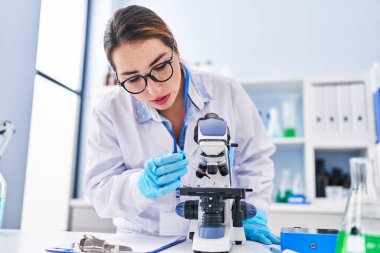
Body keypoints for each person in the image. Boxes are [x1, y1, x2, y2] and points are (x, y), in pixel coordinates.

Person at [85, 5, 280, 245]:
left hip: (219, 234)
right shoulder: (110, 110)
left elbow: (255, 160)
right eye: (134, 79)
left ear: (175, 49)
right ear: (118, 77)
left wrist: (254, 213)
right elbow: (100, 191)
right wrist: (140, 185)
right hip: (141, 240)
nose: (153, 89)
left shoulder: (227, 92)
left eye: (159, 67)